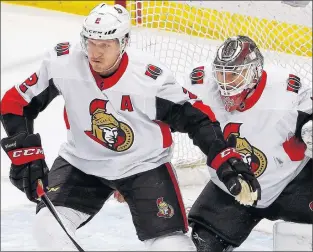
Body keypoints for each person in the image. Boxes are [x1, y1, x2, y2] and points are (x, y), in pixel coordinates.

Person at [0, 4, 260, 251]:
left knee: (170, 246)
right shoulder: (63, 62)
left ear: (123, 43)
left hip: (143, 167)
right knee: (47, 227)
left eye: (105, 44)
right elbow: (15, 102)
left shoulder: (149, 79)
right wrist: (25, 151)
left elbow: (197, 118)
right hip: (82, 163)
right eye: (90, 42)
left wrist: (225, 158)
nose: (95, 53)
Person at [182, 35, 312, 251]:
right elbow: (163, 120)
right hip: (231, 187)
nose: (226, 82)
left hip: (292, 185)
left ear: (254, 73)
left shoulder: (287, 90)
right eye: (221, 73)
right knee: (203, 246)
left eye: (235, 74)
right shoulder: (201, 87)